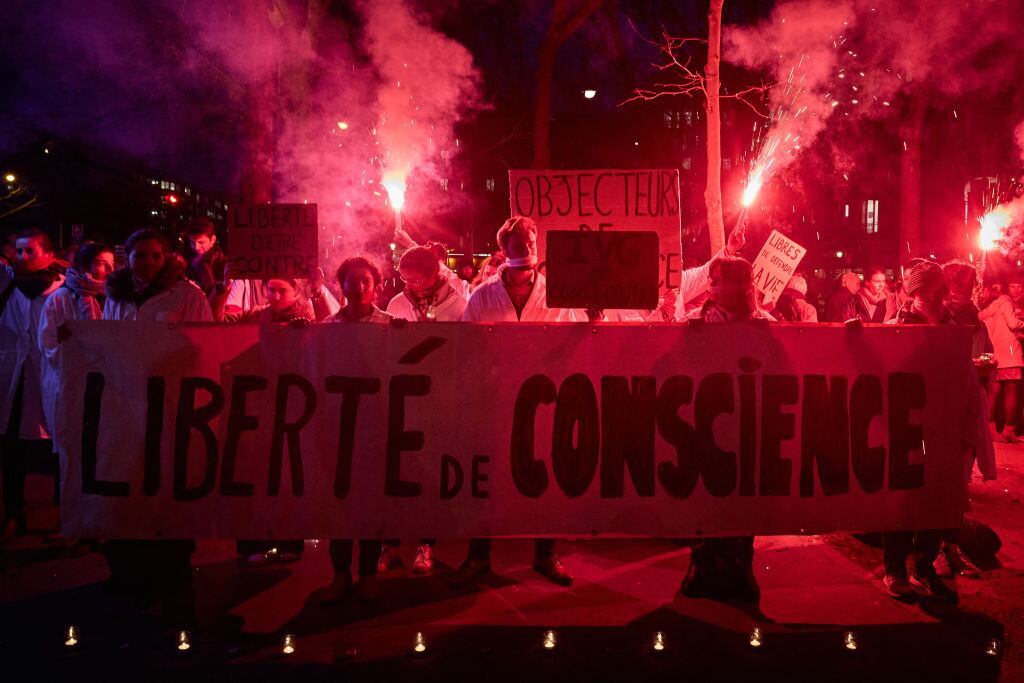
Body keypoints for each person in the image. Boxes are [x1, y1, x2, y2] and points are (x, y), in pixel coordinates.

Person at [454, 217, 580, 589]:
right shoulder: (482, 297)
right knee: (489, 477)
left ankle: (545, 554)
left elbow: (573, 341)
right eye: (517, 241)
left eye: (529, 239)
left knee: (545, 475)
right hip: (495, 399)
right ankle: (478, 556)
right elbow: (466, 348)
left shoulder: (559, 293)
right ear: (504, 246)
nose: (524, 246)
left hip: (545, 401)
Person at [101, 229, 212, 594]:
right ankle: (130, 570)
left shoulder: (187, 295)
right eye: (139, 255)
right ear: (127, 258)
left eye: (154, 256)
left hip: (170, 399)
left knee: (166, 480)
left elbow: (204, 344)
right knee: (128, 480)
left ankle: (173, 567)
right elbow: (108, 341)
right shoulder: (116, 295)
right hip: (126, 401)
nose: (146, 262)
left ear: (166, 258)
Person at [679, 256, 770, 603]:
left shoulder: (764, 326)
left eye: (721, 279)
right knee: (703, 496)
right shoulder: (694, 324)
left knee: (741, 498)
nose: (715, 287)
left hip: (745, 425)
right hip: (702, 423)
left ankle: (741, 565)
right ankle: (700, 563)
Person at [377, 245, 470, 575]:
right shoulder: (396, 304)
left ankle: (425, 543)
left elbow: (466, 352)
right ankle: (389, 544)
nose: (410, 284)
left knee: (430, 472)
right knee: (396, 472)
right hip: (403, 398)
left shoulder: (459, 305)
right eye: (405, 278)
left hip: (440, 398)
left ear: (434, 275)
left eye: (416, 279)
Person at [881, 259, 958, 603]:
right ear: (915, 293)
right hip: (906, 422)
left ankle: (923, 566)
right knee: (902, 498)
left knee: (936, 498)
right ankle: (895, 567)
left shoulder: (953, 323)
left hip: (943, 421)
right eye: (928, 291)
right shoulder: (897, 324)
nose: (935, 297)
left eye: (938, 290)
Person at [320, 256, 392, 603]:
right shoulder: (327, 327)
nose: (359, 286)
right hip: (337, 426)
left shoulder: (392, 326)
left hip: (376, 426)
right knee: (340, 504)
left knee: (369, 502)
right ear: (341, 285)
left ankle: (367, 573)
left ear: (376, 285)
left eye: (366, 280)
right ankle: (339, 574)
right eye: (353, 280)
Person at [0, 228, 65, 542]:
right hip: (13, 377)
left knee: (56, 445)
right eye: (20, 251)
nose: (23, 257)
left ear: (49, 255)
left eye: (31, 251)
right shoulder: (7, 287)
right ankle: (14, 512)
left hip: (50, 378)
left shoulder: (62, 291)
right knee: (11, 447)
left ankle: (65, 512)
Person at [38, 242, 114, 445]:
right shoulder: (60, 299)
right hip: (71, 385)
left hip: (108, 386)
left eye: (112, 263)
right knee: (71, 446)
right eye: (101, 264)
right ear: (82, 267)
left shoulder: (115, 299)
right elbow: (48, 345)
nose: (109, 270)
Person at [979, 275, 1024, 443]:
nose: (1017, 290)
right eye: (1013, 286)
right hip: (1010, 352)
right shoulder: (1006, 303)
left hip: (994, 352)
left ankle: (990, 429)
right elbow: (1013, 324)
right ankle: (1009, 431)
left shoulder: (989, 306)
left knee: (994, 391)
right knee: (1012, 391)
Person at [181, 216, 227, 297]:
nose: (196, 247)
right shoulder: (186, 258)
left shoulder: (223, 264)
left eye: (201, 242)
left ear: (212, 240)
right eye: (192, 242)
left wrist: (211, 285)